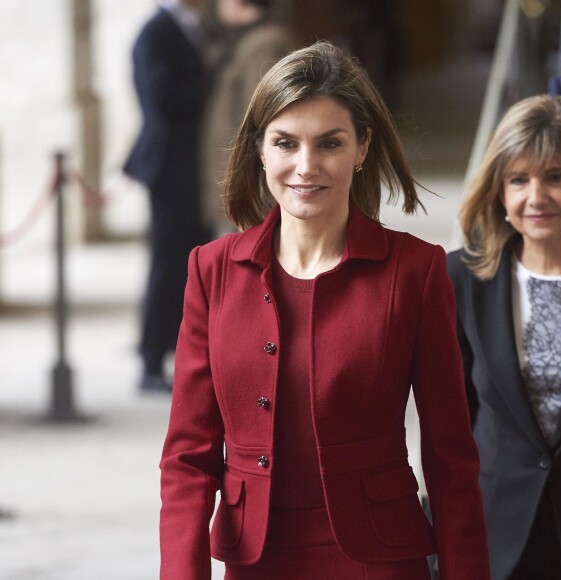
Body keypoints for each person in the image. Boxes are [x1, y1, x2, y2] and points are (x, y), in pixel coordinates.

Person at [160, 41, 490, 579]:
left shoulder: (415, 270)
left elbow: (451, 459)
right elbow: (186, 459)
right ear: (260, 150)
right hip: (256, 560)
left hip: (379, 561)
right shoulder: (211, 269)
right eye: (285, 143)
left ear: (362, 147)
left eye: (329, 143)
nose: (305, 166)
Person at [447, 94, 561, 579]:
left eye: (557, 177)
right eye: (519, 179)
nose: (535, 197)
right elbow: (451, 430)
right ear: (498, 190)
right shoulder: (461, 281)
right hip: (495, 541)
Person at [123, 0, 213, 394]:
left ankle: (182, 350)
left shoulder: (189, 26)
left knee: (190, 262)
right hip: (171, 165)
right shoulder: (156, 32)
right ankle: (150, 359)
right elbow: (162, 98)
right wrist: (214, 82)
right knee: (168, 262)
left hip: (189, 166)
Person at [201, 0, 297, 236]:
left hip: (249, 191)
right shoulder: (248, 39)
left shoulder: (265, 44)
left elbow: (264, 119)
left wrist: (257, 190)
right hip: (237, 185)